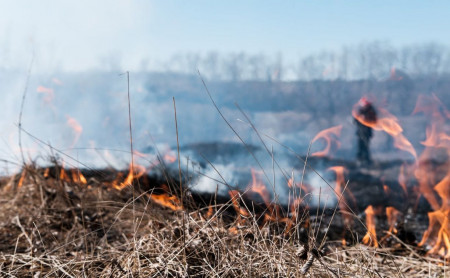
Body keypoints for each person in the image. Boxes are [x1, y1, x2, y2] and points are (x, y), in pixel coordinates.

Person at [354, 97, 377, 165]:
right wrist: (359, 118)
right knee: (360, 147)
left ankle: (367, 161)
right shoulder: (360, 111)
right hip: (360, 132)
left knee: (366, 147)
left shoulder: (371, 111)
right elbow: (355, 121)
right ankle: (359, 160)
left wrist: (365, 118)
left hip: (366, 132)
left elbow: (373, 121)